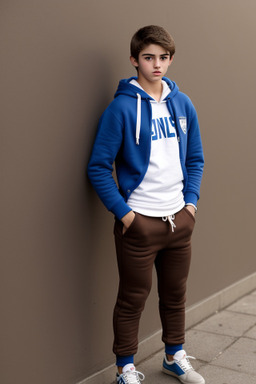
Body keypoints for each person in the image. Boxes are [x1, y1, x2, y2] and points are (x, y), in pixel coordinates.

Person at [87, 25, 205, 384]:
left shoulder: (182, 104)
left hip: (179, 221)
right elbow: (97, 167)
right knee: (132, 299)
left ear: (170, 60)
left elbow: (195, 159)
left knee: (175, 294)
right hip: (140, 224)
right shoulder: (121, 108)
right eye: (149, 57)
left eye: (163, 57)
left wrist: (191, 205)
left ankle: (175, 356)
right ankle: (125, 369)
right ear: (134, 59)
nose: (157, 64)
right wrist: (125, 215)